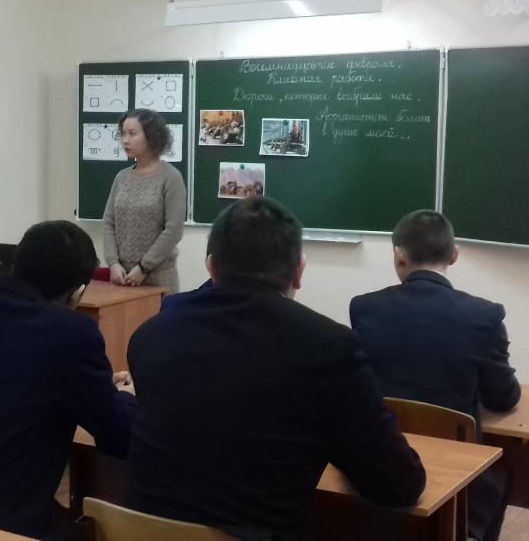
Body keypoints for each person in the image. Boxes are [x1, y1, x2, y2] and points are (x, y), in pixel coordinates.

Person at [127, 197, 425, 541]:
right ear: (299, 271)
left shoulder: (150, 336)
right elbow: (399, 485)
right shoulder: (328, 348)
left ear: (210, 267)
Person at [0, 220, 136, 539]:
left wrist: (94, 382)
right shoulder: (70, 334)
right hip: (7, 524)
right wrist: (125, 395)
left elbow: (10, 380)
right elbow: (116, 434)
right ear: (77, 293)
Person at [350, 209, 519, 541]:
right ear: (453, 255)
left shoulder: (364, 308)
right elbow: (503, 398)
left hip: (384, 458)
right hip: (458, 468)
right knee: (504, 472)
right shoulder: (484, 315)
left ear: (399, 256)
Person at [102, 108, 185, 293]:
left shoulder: (171, 177)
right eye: (123, 133)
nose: (125, 140)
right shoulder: (121, 177)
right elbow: (108, 223)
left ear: (150, 136)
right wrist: (113, 263)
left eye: (132, 134)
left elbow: (173, 230)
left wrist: (143, 267)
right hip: (122, 278)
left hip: (158, 278)